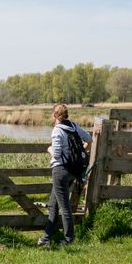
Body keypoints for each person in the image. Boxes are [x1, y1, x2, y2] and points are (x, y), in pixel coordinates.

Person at [39, 104, 92, 247]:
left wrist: (49, 149)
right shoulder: (73, 126)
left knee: (64, 207)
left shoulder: (57, 130)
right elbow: (89, 140)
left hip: (60, 171)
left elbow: (56, 153)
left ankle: (69, 240)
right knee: (53, 205)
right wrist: (78, 156)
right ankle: (46, 238)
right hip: (72, 171)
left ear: (55, 116)